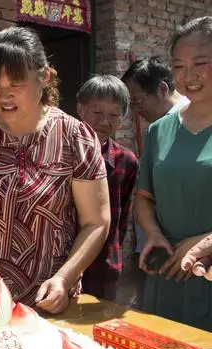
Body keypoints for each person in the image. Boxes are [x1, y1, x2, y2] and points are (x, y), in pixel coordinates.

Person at [0, 27, 111, 315]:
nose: (4, 95)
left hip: (52, 302)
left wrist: (65, 279)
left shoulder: (76, 137)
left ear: (45, 77)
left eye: (16, 83)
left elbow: (96, 221)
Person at [136, 16, 212, 331]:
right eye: (179, 66)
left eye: (200, 63)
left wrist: (207, 243)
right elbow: (144, 198)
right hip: (166, 271)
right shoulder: (159, 130)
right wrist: (153, 235)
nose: (189, 76)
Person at [122, 56, 190, 266]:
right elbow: (146, 194)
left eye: (136, 101)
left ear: (161, 89)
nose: (135, 110)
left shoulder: (192, 122)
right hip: (158, 247)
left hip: (187, 251)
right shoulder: (157, 129)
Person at [76, 75, 139, 301]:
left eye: (113, 115)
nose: (105, 122)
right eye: (97, 113)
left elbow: (121, 220)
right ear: (81, 109)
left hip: (103, 266)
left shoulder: (126, 161)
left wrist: (113, 253)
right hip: (60, 262)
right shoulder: (61, 154)